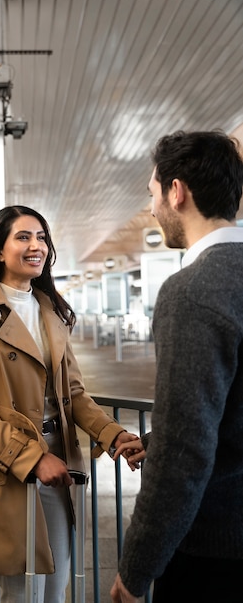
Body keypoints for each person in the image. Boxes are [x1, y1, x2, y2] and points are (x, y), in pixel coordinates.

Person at [0, 205, 139, 603]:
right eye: (23, 237)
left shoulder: (50, 309)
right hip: (11, 465)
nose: (37, 245)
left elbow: (74, 394)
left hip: (62, 461)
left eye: (42, 237)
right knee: (23, 589)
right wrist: (32, 458)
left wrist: (113, 433)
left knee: (56, 582)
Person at [110, 130, 243, 603]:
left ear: (177, 191)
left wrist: (136, 569)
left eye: (152, 193)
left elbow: (185, 455)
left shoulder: (192, 290)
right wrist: (158, 440)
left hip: (215, 548)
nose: (151, 209)